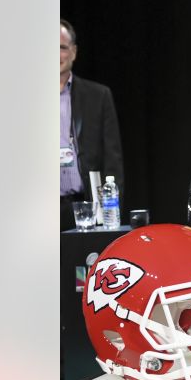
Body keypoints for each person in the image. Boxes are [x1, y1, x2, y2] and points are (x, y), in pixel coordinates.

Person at [60, 19, 123, 231]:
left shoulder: (97, 96)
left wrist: (110, 209)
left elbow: (112, 158)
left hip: (86, 208)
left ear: (74, 52)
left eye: (62, 48)